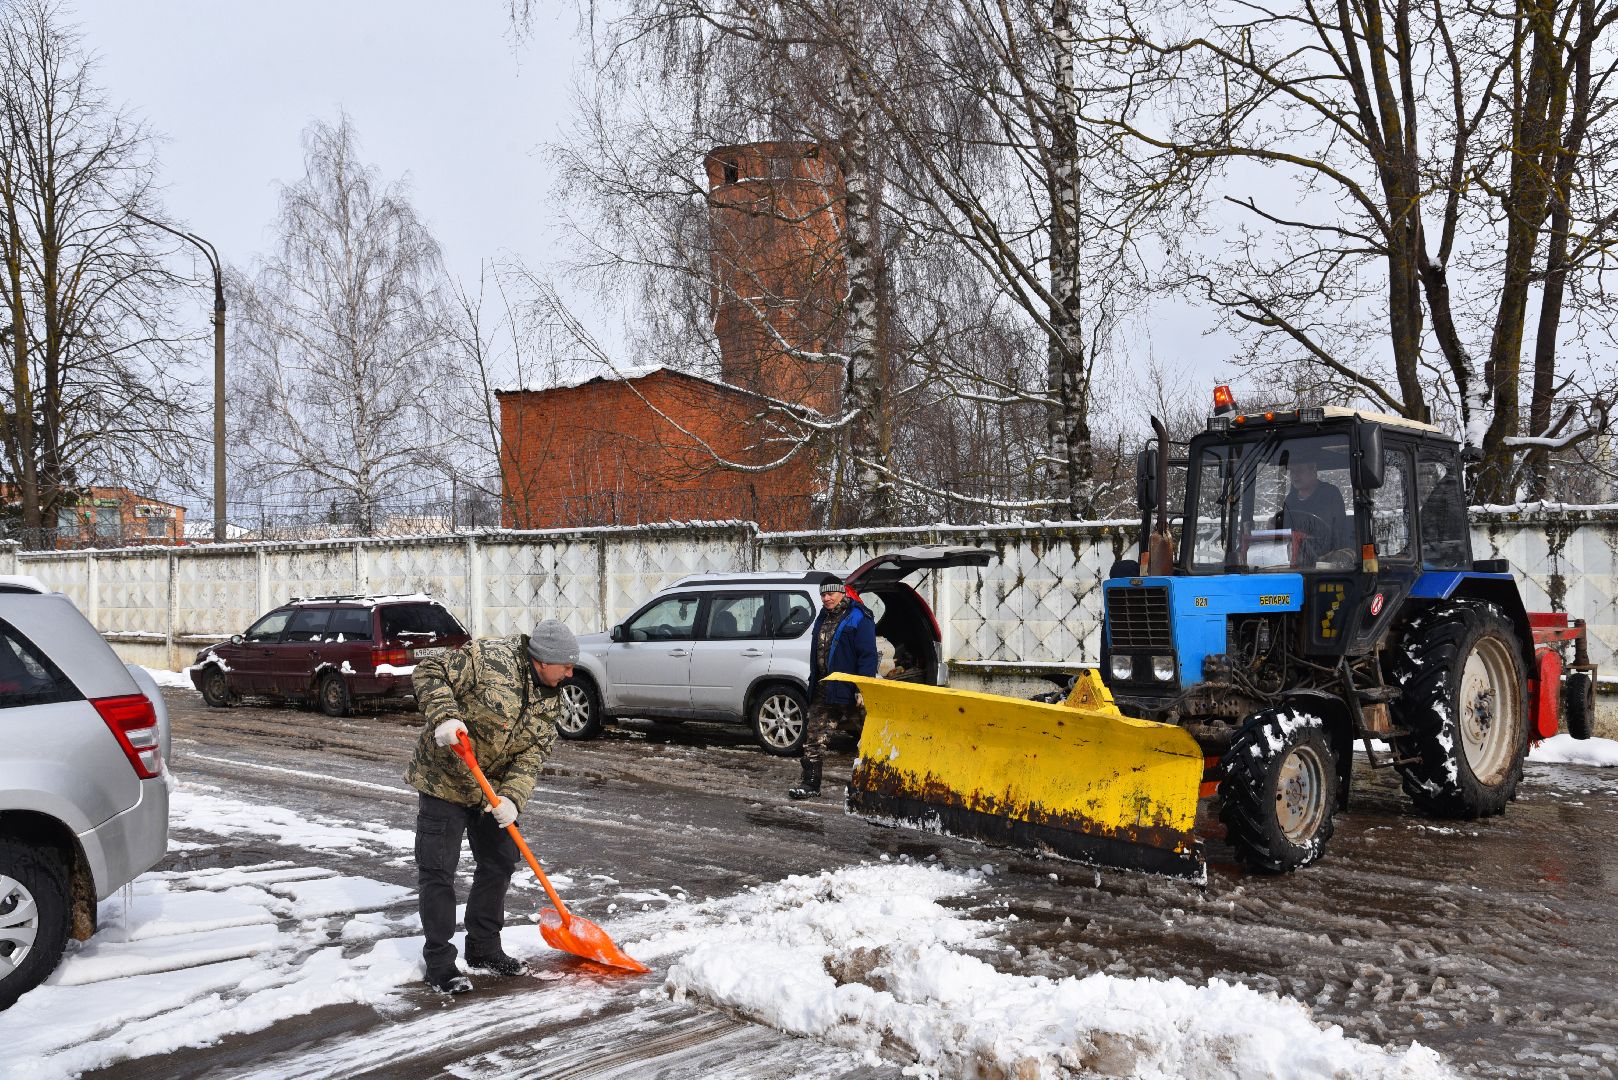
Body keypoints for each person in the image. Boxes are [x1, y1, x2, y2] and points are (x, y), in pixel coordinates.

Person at [405, 618, 576, 994]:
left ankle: (483, 948)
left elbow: (533, 754)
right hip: (445, 780)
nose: (570, 673)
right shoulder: (489, 658)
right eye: (565, 666)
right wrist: (445, 715)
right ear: (543, 660)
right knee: (438, 870)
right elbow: (429, 671)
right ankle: (440, 963)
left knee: (500, 860)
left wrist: (513, 797)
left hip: (492, 790)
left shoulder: (553, 698)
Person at [789, 577, 878, 799]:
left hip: (851, 690)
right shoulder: (823, 616)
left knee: (870, 738)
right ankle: (810, 784)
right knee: (814, 737)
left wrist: (862, 688)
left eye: (831, 594)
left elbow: (867, 655)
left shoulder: (859, 616)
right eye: (823, 594)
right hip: (825, 688)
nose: (826, 598)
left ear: (842, 593)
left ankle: (875, 786)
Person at [1280, 452, 1350, 562]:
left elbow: (1338, 532)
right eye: (1292, 471)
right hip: (1297, 559)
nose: (1294, 475)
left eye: (1299, 470)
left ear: (1313, 470)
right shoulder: (1290, 500)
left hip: (1327, 559)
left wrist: (1331, 558)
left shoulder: (1330, 494)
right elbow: (1286, 532)